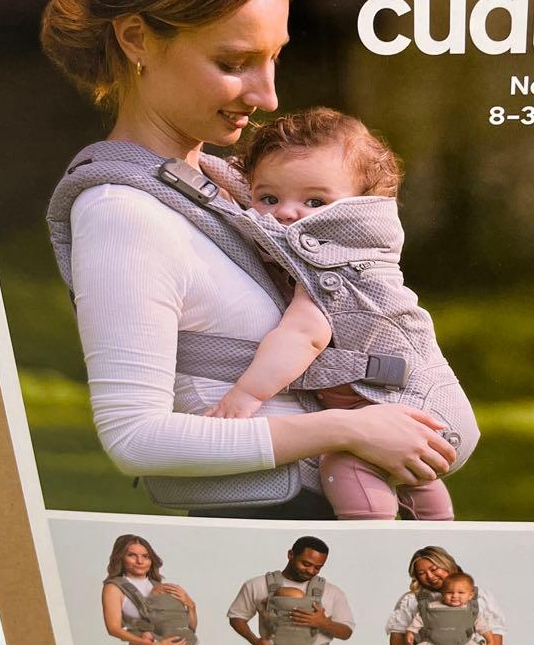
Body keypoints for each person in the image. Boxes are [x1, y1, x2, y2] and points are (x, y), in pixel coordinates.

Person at [41, 0, 456, 518]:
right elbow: (135, 438)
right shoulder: (123, 215)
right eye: (234, 63)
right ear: (136, 39)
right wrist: (347, 429)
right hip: (269, 535)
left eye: (273, 58)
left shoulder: (229, 188)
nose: (267, 96)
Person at [203, 107, 478, 520]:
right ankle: (436, 533)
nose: (286, 213)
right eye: (268, 198)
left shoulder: (334, 268)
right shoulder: (355, 251)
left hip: (418, 413)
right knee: (410, 478)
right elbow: (237, 186)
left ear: (360, 208)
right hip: (427, 412)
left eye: (315, 201)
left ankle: (365, 540)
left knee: (342, 464)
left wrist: (247, 395)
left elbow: (303, 336)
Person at [227, 536, 354, 645]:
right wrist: (256, 642)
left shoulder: (332, 591)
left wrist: (323, 623)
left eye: (317, 567)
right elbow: (237, 617)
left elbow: (346, 633)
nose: (311, 571)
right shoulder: (257, 585)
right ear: (290, 555)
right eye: (306, 564)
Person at [386, 546, 504, 645]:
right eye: (421, 573)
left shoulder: (478, 597)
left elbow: (495, 632)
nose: (430, 576)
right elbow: (398, 635)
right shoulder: (412, 600)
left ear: (446, 564)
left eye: (434, 569)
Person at [101, 534, 198, 645]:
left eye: (145, 556)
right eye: (131, 555)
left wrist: (191, 606)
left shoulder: (160, 586)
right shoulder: (114, 587)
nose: (140, 561)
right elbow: (113, 629)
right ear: (120, 557)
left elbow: (188, 627)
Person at [404, 571, 493, 645]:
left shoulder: (471, 610)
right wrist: (410, 632)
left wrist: (490, 641)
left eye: (461, 592)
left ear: (470, 595)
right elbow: (418, 620)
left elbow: (483, 627)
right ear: (442, 593)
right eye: (449, 592)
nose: (455, 596)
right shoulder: (431, 607)